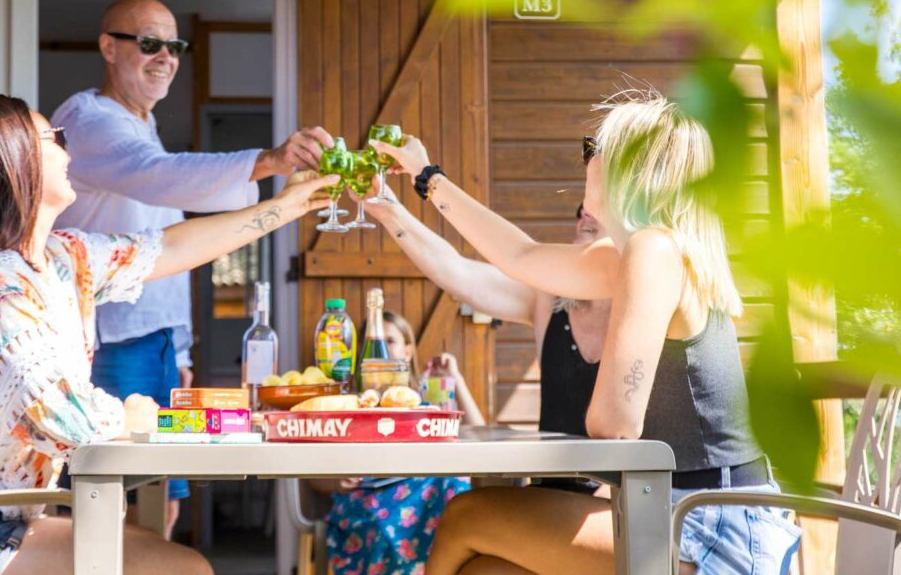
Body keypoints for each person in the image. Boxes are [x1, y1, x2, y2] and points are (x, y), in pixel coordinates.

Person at [0, 95, 333, 575]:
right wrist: (157, 416)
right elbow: (66, 418)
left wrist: (284, 208)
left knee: (168, 555)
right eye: (55, 139)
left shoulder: (61, 260)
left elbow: (168, 247)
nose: (69, 153)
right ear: (13, 161)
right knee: (181, 569)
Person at [370, 90, 802, 574]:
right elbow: (521, 257)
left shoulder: (653, 251)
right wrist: (427, 178)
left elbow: (614, 425)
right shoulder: (634, 254)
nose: (586, 159)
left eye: (594, 147)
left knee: (468, 513)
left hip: (711, 523)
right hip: (672, 507)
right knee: (485, 570)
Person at [52, 0, 333, 525]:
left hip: (154, 338)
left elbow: (159, 229)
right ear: (108, 48)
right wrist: (271, 161)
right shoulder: (88, 118)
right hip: (108, 340)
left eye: (174, 46)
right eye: (150, 43)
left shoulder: (141, 121)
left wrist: (177, 346)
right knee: (102, 500)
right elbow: (156, 175)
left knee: (167, 497)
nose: (166, 58)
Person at [362, 190, 611, 494]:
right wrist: (390, 210)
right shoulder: (548, 302)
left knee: (464, 516)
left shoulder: (646, 313)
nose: (584, 210)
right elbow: (457, 271)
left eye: (599, 204)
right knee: (468, 507)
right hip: (552, 498)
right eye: (581, 208)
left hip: (625, 500)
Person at [312, 312, 483, 574]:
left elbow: (480, 434)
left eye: (389, 341)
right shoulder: (348, 403)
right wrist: (335, 480)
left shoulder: (425, 399)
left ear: (407, 351)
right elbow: (310, 473)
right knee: (381, 530)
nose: (380, 350)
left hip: (425, 493)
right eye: (372, 343)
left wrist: (455, 378)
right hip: (366, 498)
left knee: (457, 493)